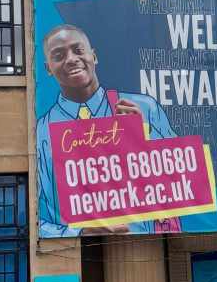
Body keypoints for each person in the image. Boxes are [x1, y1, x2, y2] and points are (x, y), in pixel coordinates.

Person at [37, 24, 182, 237]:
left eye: (78, 50)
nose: (71, 59)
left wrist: (145, 137)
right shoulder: (41, 133)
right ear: (48, 68)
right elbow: (33, 222)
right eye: (59, 55)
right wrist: (78, 232)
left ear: (93, 56)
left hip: (148, 248)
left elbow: (184, 181)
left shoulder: (145, 108)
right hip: (79, 256)